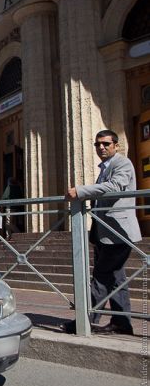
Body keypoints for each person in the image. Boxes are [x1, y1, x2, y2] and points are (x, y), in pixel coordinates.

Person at [62, 130, 140, 335]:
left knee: (101, 277)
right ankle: (122, 324)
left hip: (119, 232)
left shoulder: (122, 163)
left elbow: (115, 186)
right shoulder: (104, 167)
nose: (101, 148)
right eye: (97, 144)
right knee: (116, 278)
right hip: (104, 232)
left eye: (106, 144)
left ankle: (85, 320)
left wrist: (80, 191)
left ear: (116, 145)